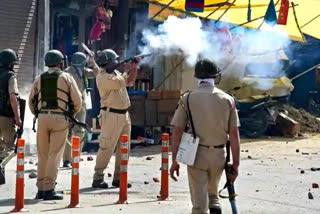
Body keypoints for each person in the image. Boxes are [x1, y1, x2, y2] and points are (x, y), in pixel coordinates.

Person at [169, 59, 240, 214]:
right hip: (219, 155)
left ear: (197, 76)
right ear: (215, 76)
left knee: (199, 204)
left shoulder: (187, 98)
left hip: (196, 154)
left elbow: (177, 131)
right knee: (213, 193)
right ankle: (214, 206)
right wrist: (236, 164)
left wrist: (174, 160)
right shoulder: (228, 99)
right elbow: (234, 134)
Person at [29, 50, 82, 200]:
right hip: (60, 119)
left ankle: (40, 189)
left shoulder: (39, 78)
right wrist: (71, 115)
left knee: (43, 155)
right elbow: (77, 101)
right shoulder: (66, 77)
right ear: (60, 63)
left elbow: (31, 101)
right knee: (55, 155)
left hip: (42, 119)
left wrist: (38, 115)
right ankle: (49, 189)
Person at [91, 49, 140, 189]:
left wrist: (134, 68)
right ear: (107, 62)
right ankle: (98, 177)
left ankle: (119, 177)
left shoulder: (115, 74)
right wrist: (126, 69)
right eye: (114, 61)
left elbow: (129, 81)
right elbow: (119, 82)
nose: (116, 63)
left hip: (124, 114)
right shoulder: (103, 76)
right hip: (111, 114)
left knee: (124, 148)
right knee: (106, 147)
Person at [62, 52, 98, 167]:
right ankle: (67, 159)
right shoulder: (66, 72)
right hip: (69, 105)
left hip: (81, 105)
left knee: (80, 131)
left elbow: (98, 74)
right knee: (67, 131)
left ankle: (75, 157)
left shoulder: (85, 71)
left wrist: (93, 62)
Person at [0, 49, 22, 162]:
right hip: (5, 116)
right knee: (11, 147)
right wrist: (17, 118)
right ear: (10, 63)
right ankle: (0, 165)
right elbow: (13, 98)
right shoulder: (10, 76)